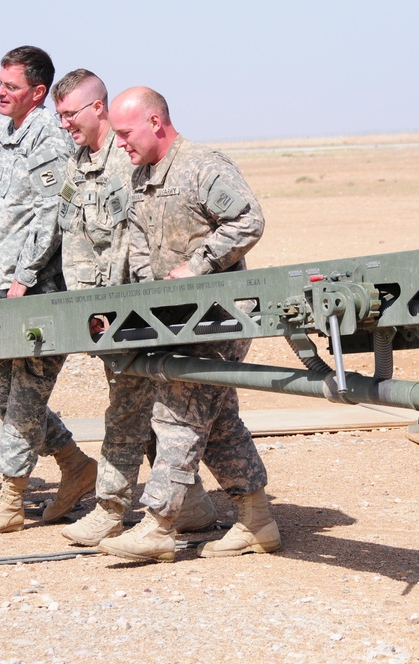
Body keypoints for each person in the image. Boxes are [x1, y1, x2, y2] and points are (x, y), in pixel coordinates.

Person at [97, 87, 281, 562]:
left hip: (218, 318)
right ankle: (257, 520)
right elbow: (139, 244)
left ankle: (158, 526)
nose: (120, 144)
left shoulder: (203, 165)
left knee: (177, 414)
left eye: (125, 133)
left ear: (155, 122)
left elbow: (248, 219)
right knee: (217, 422)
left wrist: (199, 265)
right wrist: (142, 297)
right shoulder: (140, 177)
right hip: (172, 322)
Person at [49, 70, 217, 547]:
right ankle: (194, 508)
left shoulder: (131, 161)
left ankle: (112, 508)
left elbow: (139, 242)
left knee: (132, 411)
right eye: (58, 116)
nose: (64, 125)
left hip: (134, 311)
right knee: (145, 410)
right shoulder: (76, 164)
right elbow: (73, 236)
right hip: (100, 312)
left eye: (70, 115)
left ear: (97, 108)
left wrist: (136, 302)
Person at [0, 46, 96, 537]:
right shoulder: (3, 132)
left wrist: (26, 275)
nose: (0, 92)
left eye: (11, 86)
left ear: (37, 93)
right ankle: (75, 463)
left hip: (36, 292)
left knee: (25, 400)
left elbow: (51, 213)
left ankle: (11, 499)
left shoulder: (49, 139)